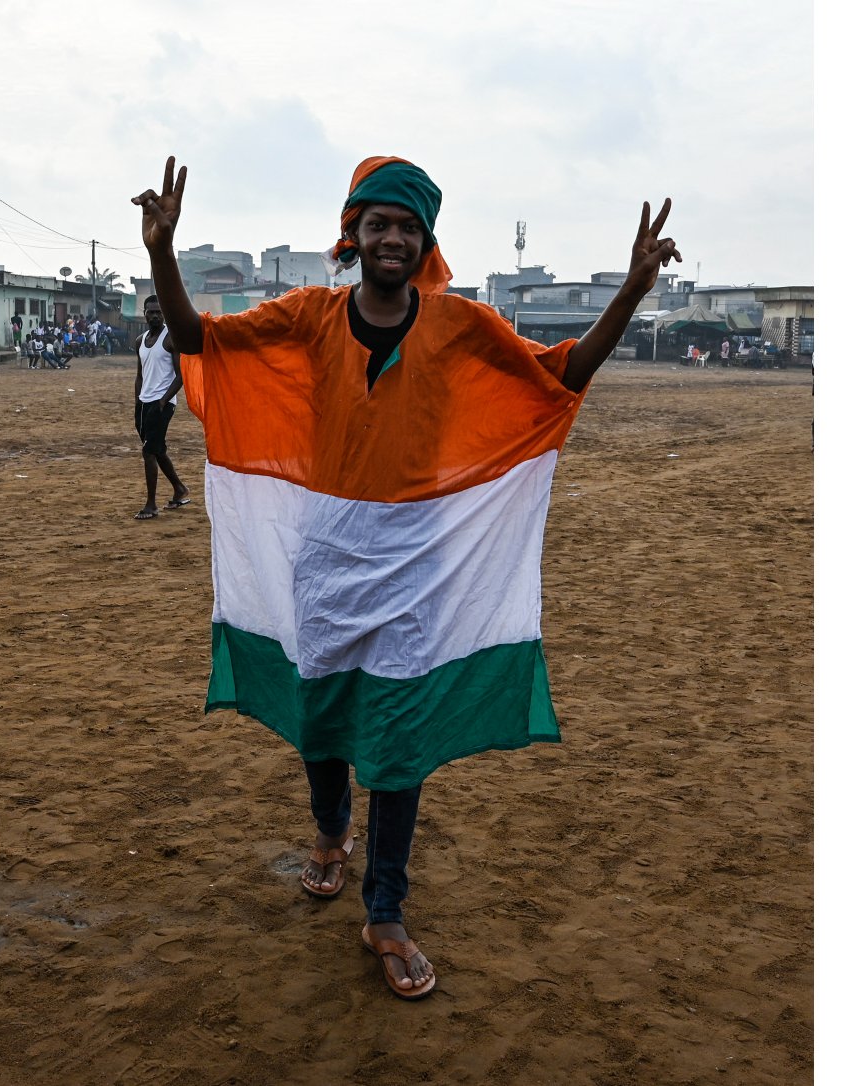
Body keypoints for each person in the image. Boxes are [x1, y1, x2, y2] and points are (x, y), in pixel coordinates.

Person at [133, 155, 681, 999]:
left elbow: (559, 376)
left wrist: (634, 290)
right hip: (324, 557)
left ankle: (385, 909)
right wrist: (163, 255)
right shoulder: (309, 314)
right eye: (378, 223)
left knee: (396, 740)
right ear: (352, 235)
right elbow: (201, 341)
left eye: (408, 226)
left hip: (417, 566)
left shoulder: (462, 325)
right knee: (323, 714)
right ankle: (328, 834)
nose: (392, 237)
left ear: (425, 243)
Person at [133, 295, 190, 520]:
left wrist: (164, 401)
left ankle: (151, 504)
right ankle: (179, 489)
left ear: (164, 314)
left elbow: (181, 376)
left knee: (148, 451)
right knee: (156, 448)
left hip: (162, 403)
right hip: (144, 403)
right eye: (151, 312)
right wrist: (137, 402)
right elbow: (139, 375)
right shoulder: (140, 340)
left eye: (159, 312)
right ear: (144, 314)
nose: (155, 315)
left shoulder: (171, 338)